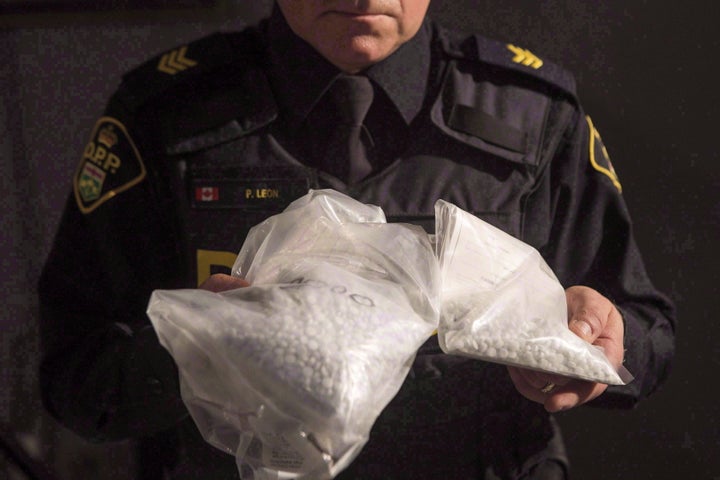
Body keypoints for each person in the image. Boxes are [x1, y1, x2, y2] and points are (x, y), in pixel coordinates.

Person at [38, 1, 676, 479]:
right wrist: (200, 353)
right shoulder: (165, 113)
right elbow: (74, 373)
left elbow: (647, 333)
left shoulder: (532, 115)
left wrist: (600, 342)